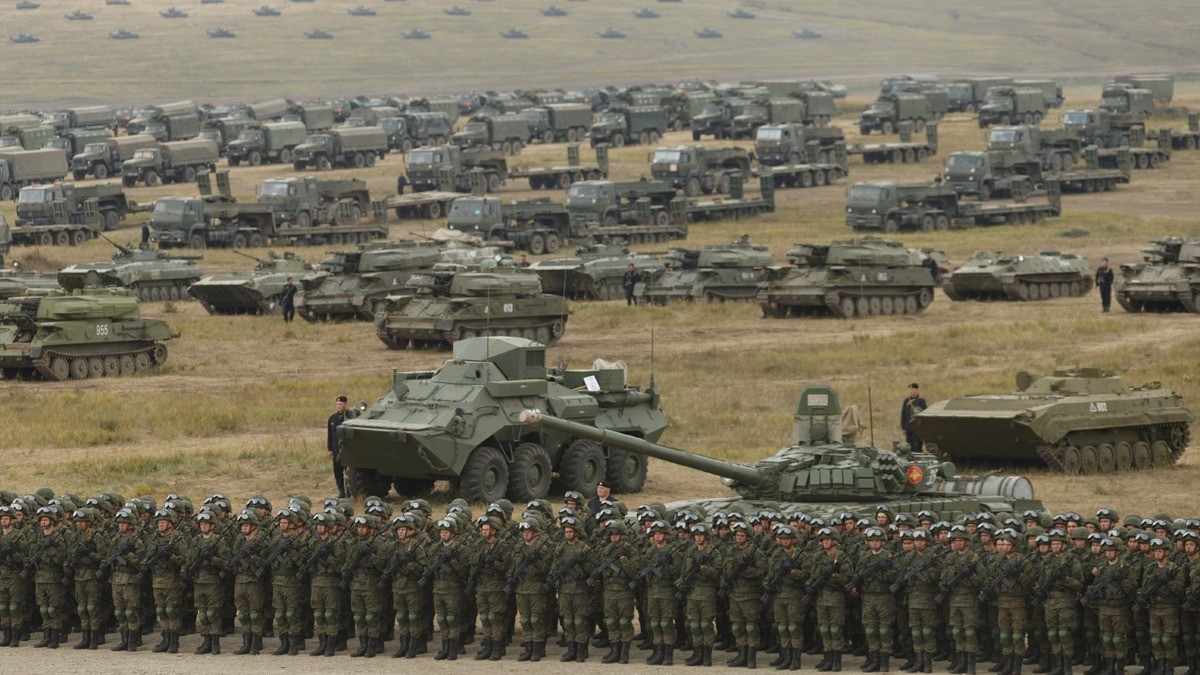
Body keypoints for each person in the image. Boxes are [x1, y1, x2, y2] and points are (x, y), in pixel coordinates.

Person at [327, 396, 349, 498]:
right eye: (337, 404)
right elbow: (330, 435)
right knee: (337, 471)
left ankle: (349, 492)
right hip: (335, 448)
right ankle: (341, 491)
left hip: (347, 449)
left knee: (348, 471)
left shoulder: (349, 417)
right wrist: (330, 449)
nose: (338, 406)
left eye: (340, 404)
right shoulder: (332, 418)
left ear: (345, 404)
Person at [900, 383, 927, 452]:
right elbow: (903, 414)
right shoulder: (906, 400)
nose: (911, 391)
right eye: (910, 389)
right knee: (909, 446)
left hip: (917, 427)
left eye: (912, 389)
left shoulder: (921, 401)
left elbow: (924, 414)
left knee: (917, 446)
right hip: (908, 427)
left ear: (916, 390)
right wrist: (903, 428)